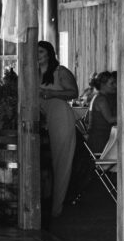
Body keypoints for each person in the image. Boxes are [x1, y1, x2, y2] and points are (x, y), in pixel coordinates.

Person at [38, 40, 79, 218]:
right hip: (39, 119)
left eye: (40, 52)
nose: (36, 55)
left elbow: (74, 93)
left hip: (60, 116)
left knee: (61, 161)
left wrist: (53, 93)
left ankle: (57, 207)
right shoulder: (31, 73)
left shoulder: (60, 72)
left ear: (49, 53)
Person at [68, 70, 116, 206]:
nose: (115, 86)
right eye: (112, 83)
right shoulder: (100, 99)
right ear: (103, 84)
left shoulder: (100, 97)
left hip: (100, 137)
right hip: (100, 141)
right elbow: (110, 119)